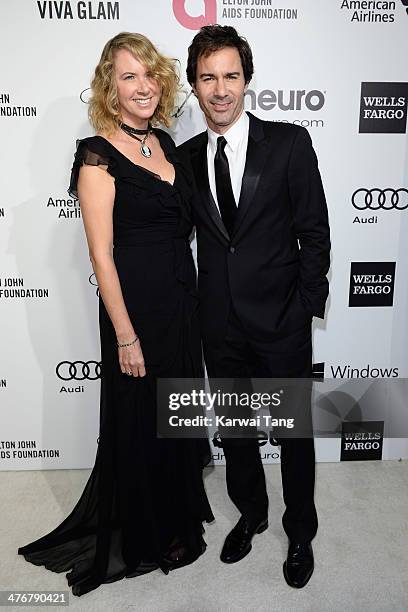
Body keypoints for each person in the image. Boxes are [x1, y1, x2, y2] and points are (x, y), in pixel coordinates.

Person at [18, 32, 214, 597]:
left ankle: (176, 513)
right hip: (135, 311)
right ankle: (145, 531)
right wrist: (125, 336)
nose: (144, 86)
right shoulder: (97, 155)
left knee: (173, 406)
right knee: (138, 415)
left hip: (180, 299)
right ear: (110, 87)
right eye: (129, 76)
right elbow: (101, 254)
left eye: (150, 74)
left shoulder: (168, 145)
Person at [178, 25, 330, 588]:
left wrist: (306, 305)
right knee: (238, 431)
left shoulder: (288, 143)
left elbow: (315, 231)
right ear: (195, 85)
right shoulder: (188, 158)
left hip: (281, 321)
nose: (220, 89)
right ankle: (252, 512)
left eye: (231, 76)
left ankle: (300, 531)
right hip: (220, 324)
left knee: (292, 433)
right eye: (208, 77)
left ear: (247, 81)